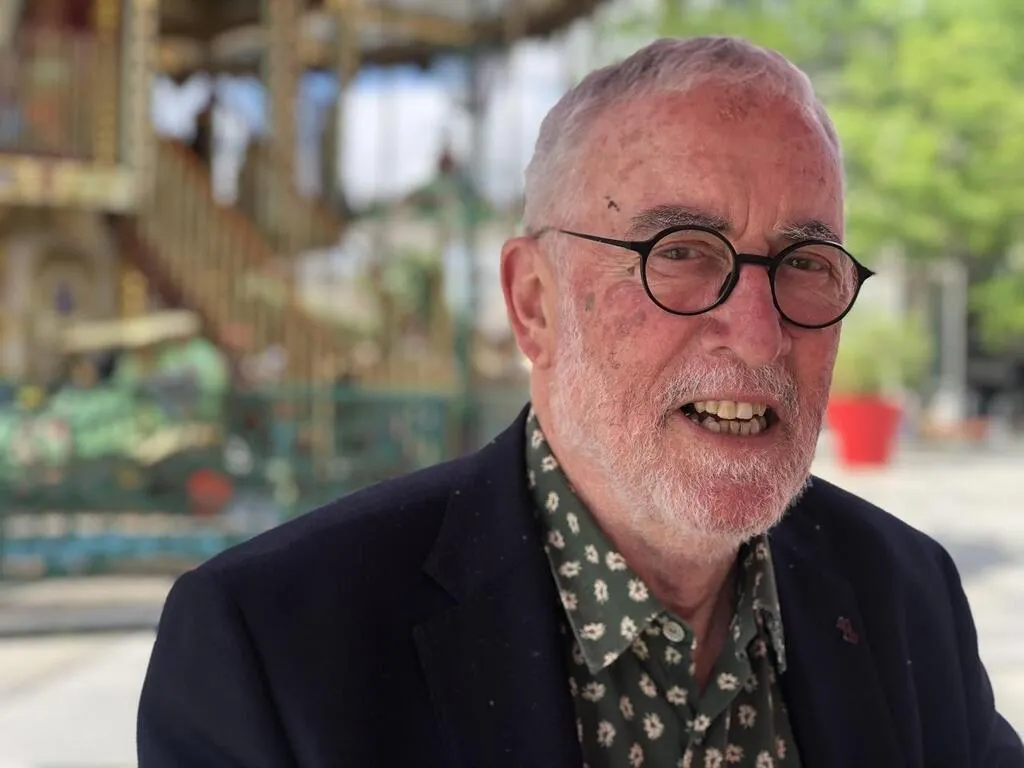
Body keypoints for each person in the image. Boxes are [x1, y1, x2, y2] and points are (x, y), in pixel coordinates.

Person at [137, 37, 1024, 768]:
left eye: (805, 264)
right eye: (682, 252)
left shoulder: (904, 595)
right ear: (534, 303)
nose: (759, 336)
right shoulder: (273, 648)